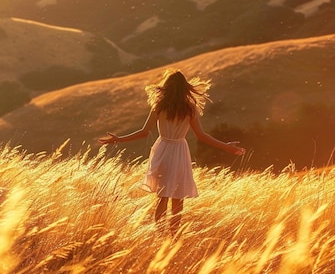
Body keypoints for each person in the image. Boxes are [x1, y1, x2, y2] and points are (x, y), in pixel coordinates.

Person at [98, 70, 245, 234]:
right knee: (177, 197)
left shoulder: (159, 106)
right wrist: (226, 146)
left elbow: (144, 131)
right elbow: (202, 136)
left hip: (162, 149)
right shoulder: (189, 108)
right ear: (185, 88)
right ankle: (173, 236)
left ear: (166, 87)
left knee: (162, 197)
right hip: (179, 151)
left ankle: (160, 235)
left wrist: (118, 139)